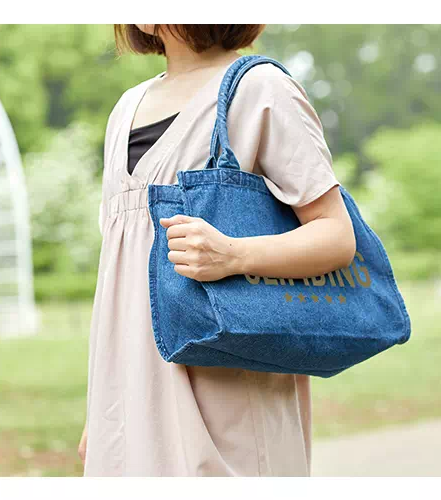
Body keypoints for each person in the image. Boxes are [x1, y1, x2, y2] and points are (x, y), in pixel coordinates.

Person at [78, 24, 356, 477]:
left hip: (227, 400)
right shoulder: (126, 107)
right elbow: (118, 273)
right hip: (129, 405)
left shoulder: (261, 89)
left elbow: (336, 234)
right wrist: (102, 406)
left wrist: (233, 255)